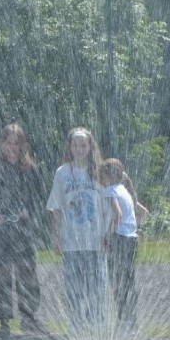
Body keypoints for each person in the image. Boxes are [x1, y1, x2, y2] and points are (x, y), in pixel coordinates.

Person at [0, 124, 47, 340]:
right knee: (0, 277)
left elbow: (39, 199)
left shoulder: (30, 170)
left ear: (23, 145)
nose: (12, 147)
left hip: (23, 232)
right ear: (1, 144)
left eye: (16, 143)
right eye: (8, 142)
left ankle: (29, 318)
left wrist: (28, 212)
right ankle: (4, 322)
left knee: (28, 275)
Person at [46, 127, 109, 328]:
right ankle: (76, 324)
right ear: (70, 147)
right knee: (73, 286)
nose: (79, 149)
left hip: (95, 239)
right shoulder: (62, 173)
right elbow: (56, 207)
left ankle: (96, 323)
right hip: (71, 240)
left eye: (83, 145)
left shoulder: (100, 172)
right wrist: (56, 236)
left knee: (97, 286)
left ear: (90, 147)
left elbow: (108, 207)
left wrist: (106, 235)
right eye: (75, 145)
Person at [101, 158, 141, 332]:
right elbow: (141, 214)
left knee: (117, 281)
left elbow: (116, 212)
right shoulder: (124, 189)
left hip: (118, 239)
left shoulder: (110, 190)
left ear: (107, 176)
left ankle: (124, 321)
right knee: (128, 280)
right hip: (131, 239)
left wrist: (107, 234)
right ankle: (131, 321)